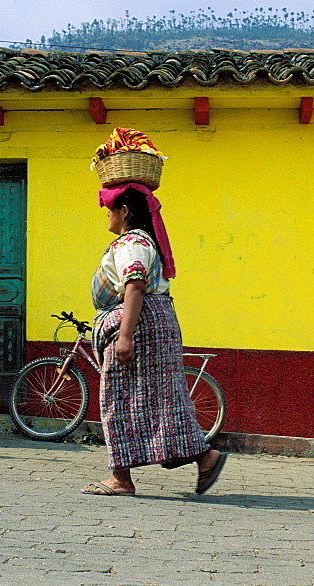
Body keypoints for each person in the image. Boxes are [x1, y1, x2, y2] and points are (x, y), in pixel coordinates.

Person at [82, 182, 227, 496]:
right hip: (154, 324)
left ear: (124, 211)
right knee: (164, 401)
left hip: (139, 325)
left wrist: (124, 336)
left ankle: (121, 479)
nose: (107, 216)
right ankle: (205, 457)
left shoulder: (131, 243)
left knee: (116, 400)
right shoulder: (145, 242)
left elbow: (134, 285)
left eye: (110, 210)